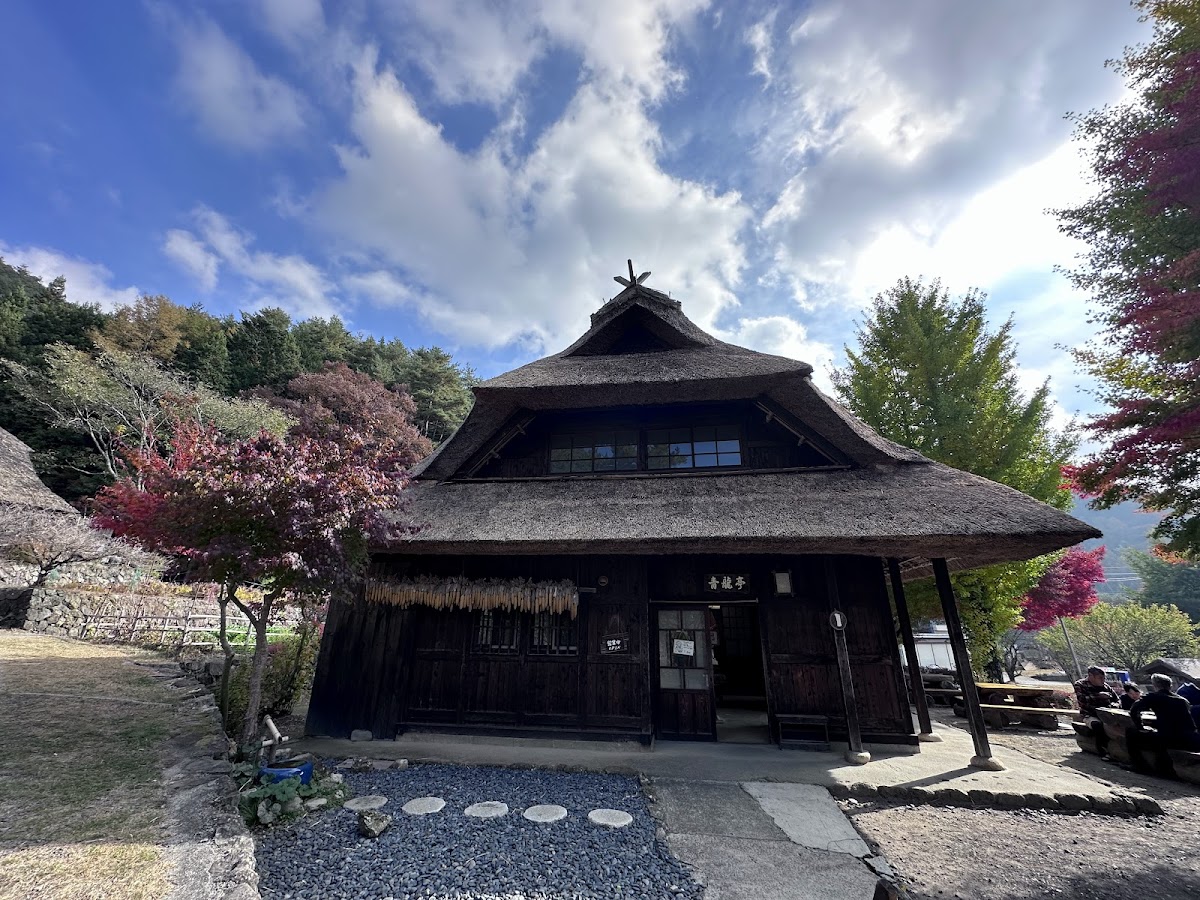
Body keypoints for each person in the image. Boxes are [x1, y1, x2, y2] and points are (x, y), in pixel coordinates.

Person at [1127, 673, 1200, 773]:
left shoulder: (1154, 697)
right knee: (1163, 735)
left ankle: (1139, 765)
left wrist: (1140, 727)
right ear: (1170, 686)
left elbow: (1134, 710)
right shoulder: (1183, 700)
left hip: (1169, 739)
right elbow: (1177, 721)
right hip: (1189, 739)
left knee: (1131, 732)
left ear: (1154, 685)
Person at [1075, 666, 1121, 756]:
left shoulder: (1106, 686)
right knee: (1098, 726)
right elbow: (1082, 700)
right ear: (1091, 676)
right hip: (1090, 714)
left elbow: (1117, 699)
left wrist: (1115, 705)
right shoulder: (1080, 684)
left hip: (1108, 714)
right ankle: (1103, 750)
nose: (1103, 680)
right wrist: (1098, 696)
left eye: (1104, 678)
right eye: (1100, 678)